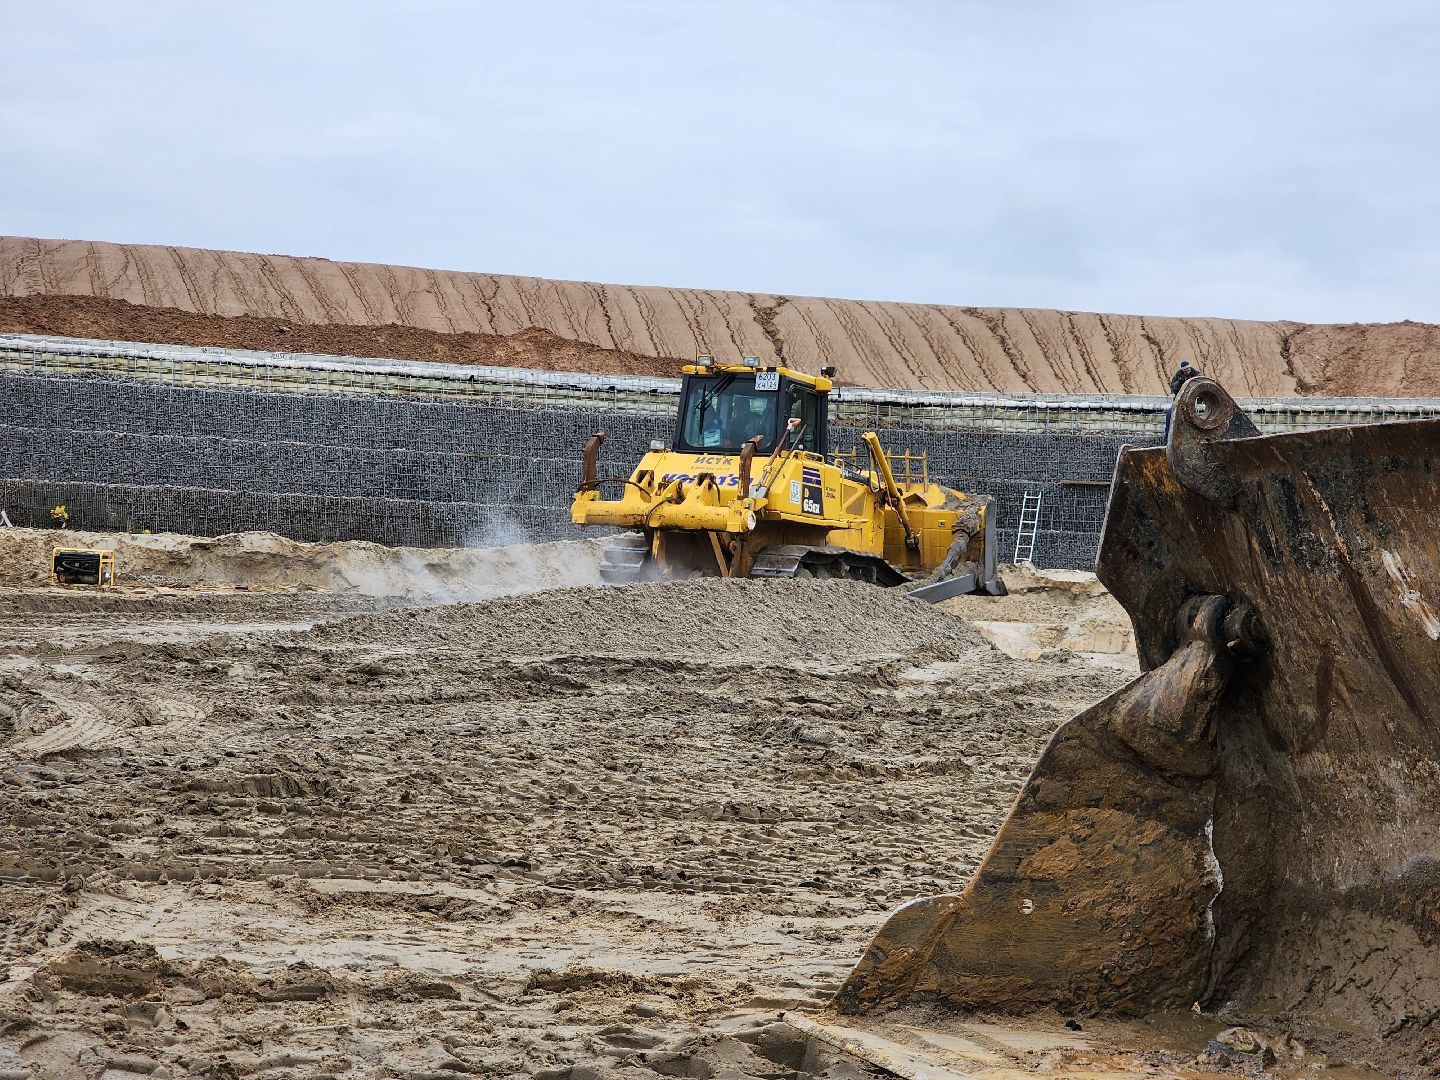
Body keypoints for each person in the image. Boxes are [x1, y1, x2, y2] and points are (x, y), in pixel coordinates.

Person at [1163, 360, 1199, 441]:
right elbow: (1173, 387)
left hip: (1192, 402)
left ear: (1190, 368)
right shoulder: (1178, 375)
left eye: (1188, 370)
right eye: (1185, 371)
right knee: (1170, 414)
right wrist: (1179, 383)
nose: (1187, 372)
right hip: (1179, 400)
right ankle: (1167, 438)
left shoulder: (1197, 375)